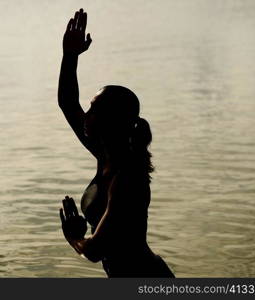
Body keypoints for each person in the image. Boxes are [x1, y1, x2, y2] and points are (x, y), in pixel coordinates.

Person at [58, 8, 175, 278]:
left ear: (111, 121)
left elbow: (95, 250)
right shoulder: (106, 154)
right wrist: (70, 56)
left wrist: (74, 237)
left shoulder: (127, 179)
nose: (85, 113)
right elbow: (67, 103)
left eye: (93, 108)